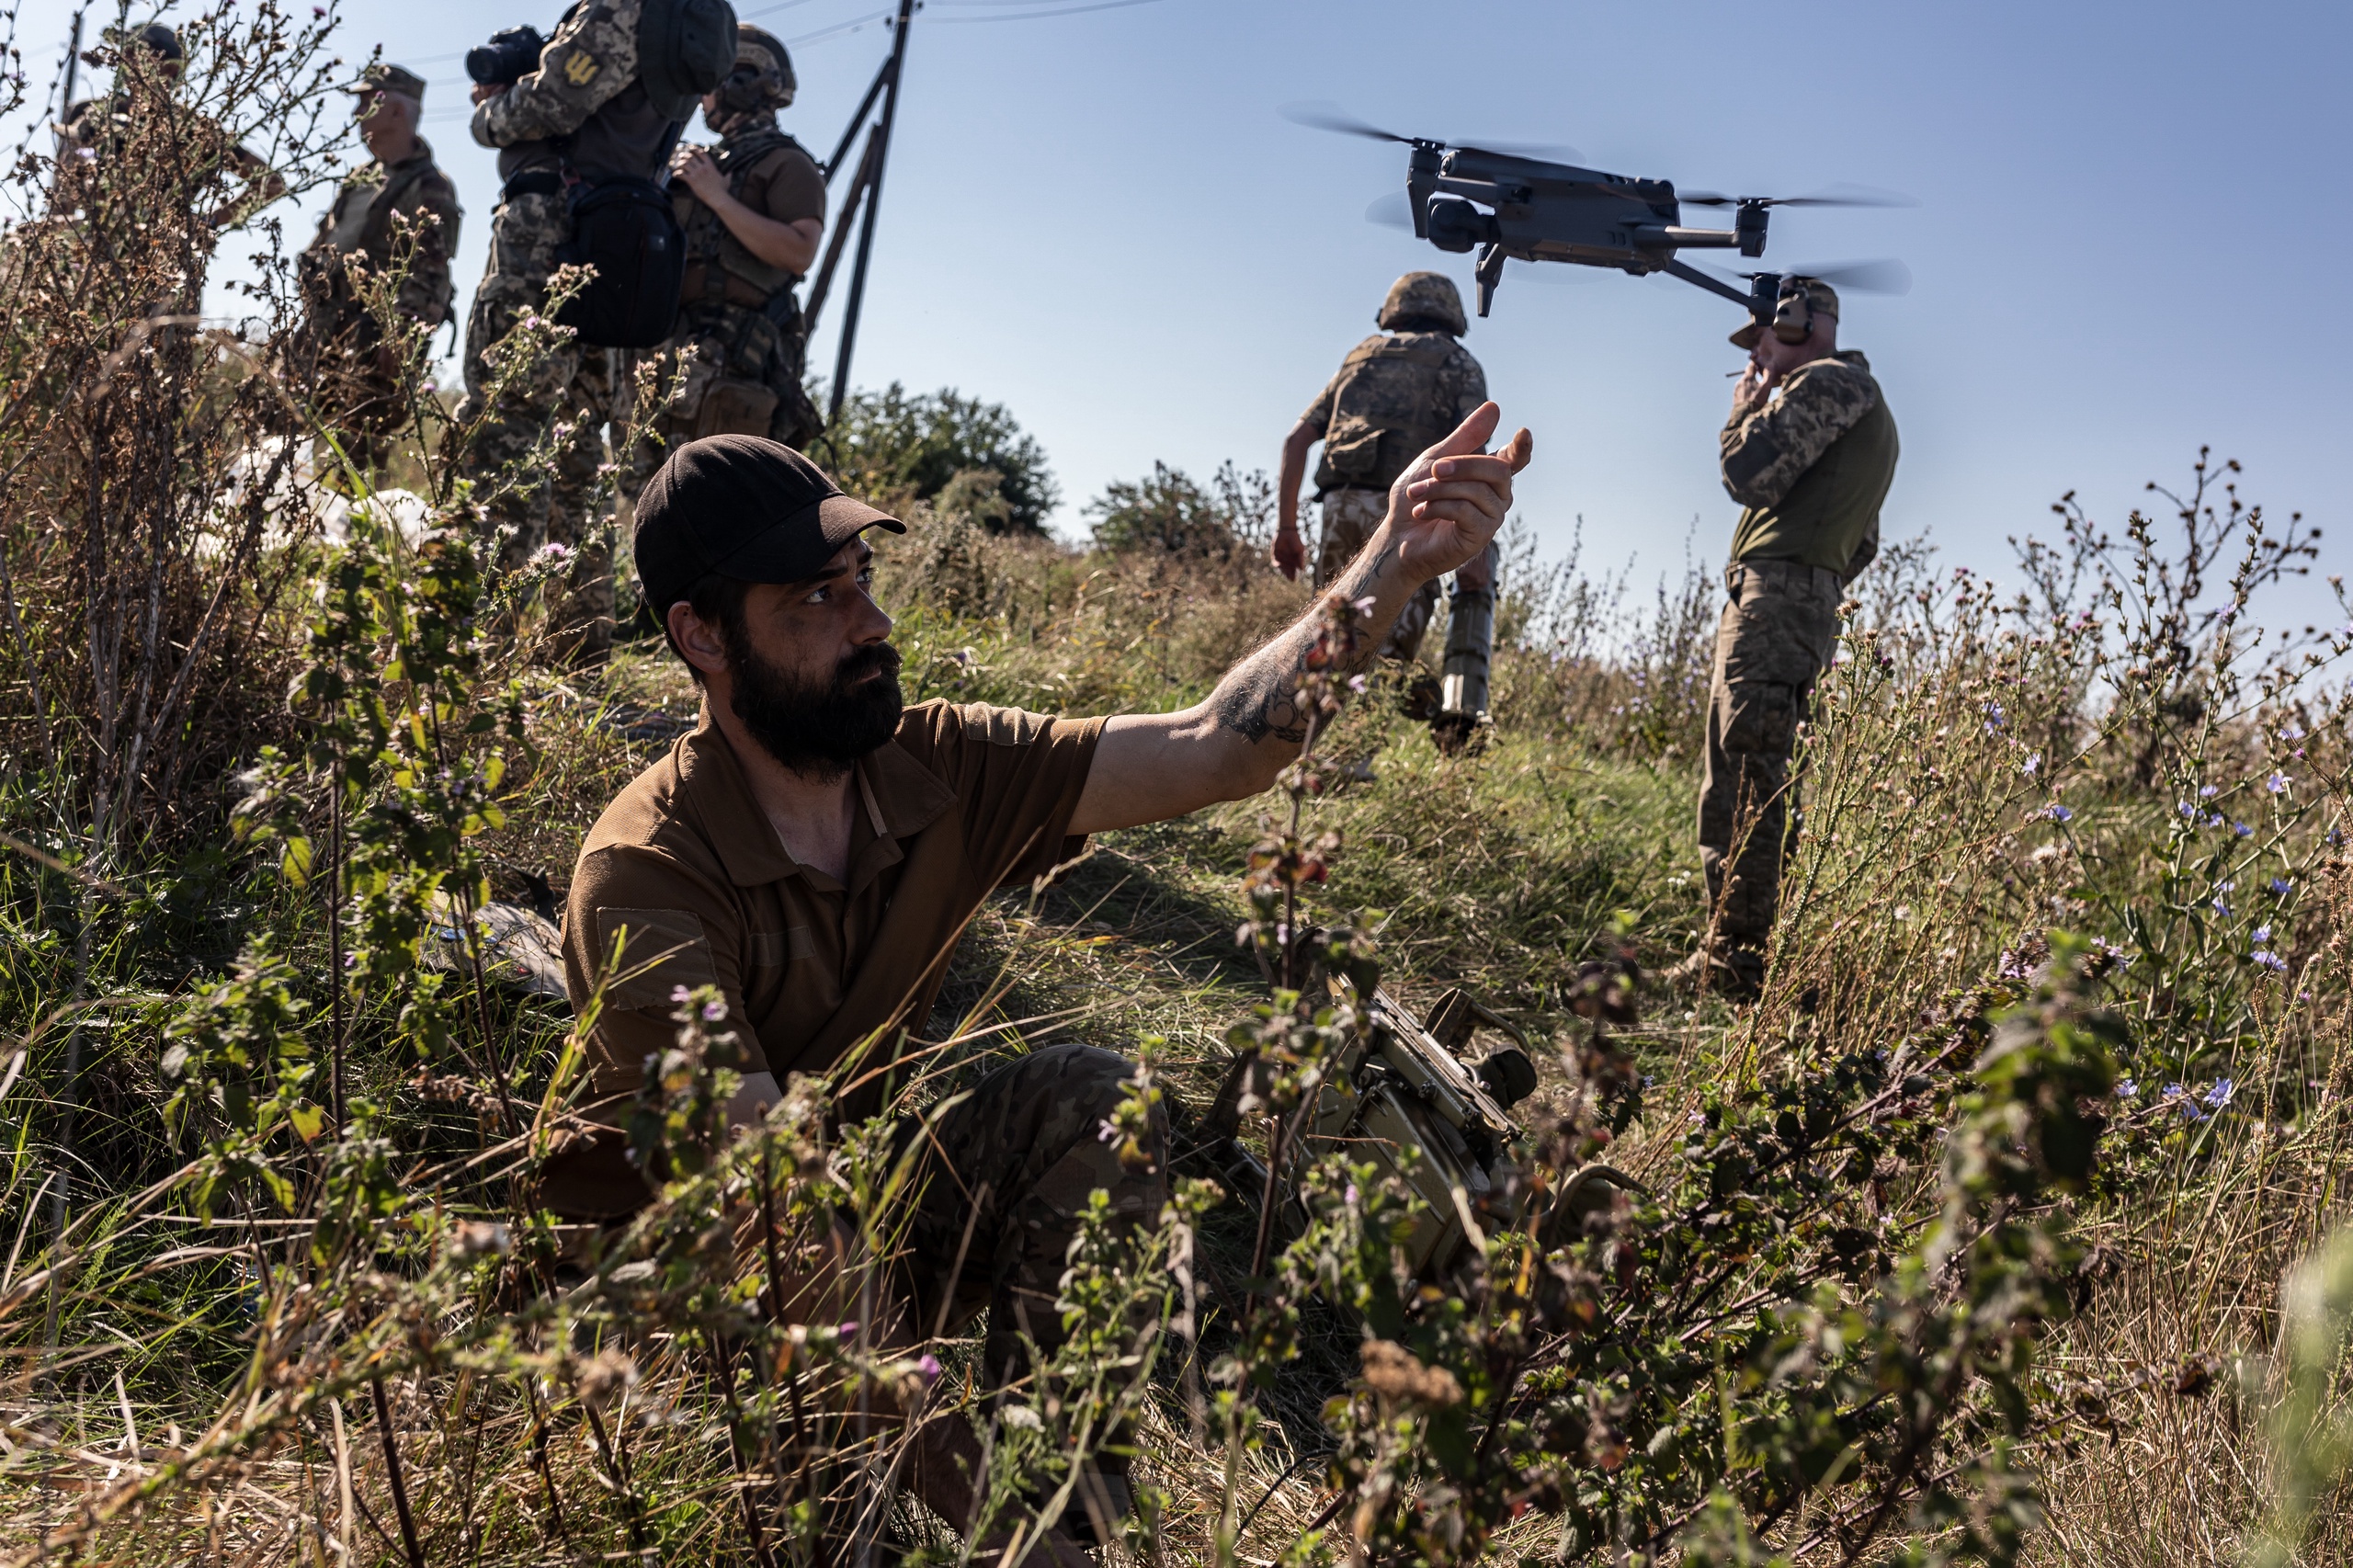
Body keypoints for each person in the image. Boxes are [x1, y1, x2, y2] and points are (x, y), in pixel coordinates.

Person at [548, 412, 1530, 1558]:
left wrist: (1395, 563)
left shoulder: (935, 763)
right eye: (814, 599)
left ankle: (1076, 1514)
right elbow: (778, 1235)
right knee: (828, 1514)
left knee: (1094, 1098)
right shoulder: (644, 869)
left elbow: (1220, 741)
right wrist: (990, 1512)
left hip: (840, 1229)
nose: (872, 623)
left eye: (861, 577)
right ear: (701, 635)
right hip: (672, 1305)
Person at [1677, 276, 1899, 1001]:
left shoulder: (1831, 384)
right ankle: (1730, 950)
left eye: (1763, 339)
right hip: (1789, 596)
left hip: (1777, 600)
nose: (1757, 358)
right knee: (1746, 773)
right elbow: (1862, 543)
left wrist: (1743, 409)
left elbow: (1745, 472)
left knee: (1749, 782)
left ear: (1800, 323)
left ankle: (1739, 967)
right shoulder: (1858, 401)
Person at [456, 0, 679, 664]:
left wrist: (489, 110)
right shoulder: (694, 17)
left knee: (506, 429)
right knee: (579, 454)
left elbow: (550, 103)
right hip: (615, 240)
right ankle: (577, 654)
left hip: (548, 232)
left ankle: (472, 660)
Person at [629, 24, 825, 466]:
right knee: (641, 490)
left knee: (710, 493)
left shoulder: (787, 163)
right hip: (665, 345)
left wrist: (716, 196)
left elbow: (799, 251)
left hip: (730, 357)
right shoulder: (701, 160)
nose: (703, 96)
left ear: (743, 82)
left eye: (713, 82)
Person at [1273, 270, 1492, 667]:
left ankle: (1308, 721)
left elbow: (1296, 441)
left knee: (1328, 636)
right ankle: (1365, 721)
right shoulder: (1460, 364)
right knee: (1385, 655)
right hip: (1412, 514)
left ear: (1395, 311)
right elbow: (1473, 452)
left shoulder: (1359, 358)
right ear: (1452, 315)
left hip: (1341, 509)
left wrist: (1287, 530)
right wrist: (1476, 552)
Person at [293, 64, 461, 478]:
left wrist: (400, 336)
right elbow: (325, 245)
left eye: (368, 102)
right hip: (324, 328)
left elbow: (431, 274)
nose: (357, 112)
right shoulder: (358, 178)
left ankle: (357, 538)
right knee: (291, 433)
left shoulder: (431, 186)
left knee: (359, 450)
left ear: (397, 112)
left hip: (374, 338)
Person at [57, 24, 286, 229]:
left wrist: (209, 222)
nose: (127, 56)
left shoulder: (195, 130)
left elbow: (271, 183)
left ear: (170, 69)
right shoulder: (90, 112)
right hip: (87, 247)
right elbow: (64, 188)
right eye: (126, 49)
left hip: (155, 257)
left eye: (139, 50)